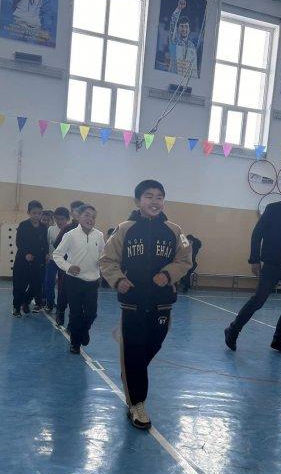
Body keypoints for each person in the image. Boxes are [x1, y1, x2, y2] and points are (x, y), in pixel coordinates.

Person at [100, 180, 192, 429]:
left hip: (162, 304)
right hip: (133, 303)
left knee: (151, 346)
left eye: (159, 197)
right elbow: (107, 260)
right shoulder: (124, 229)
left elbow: (185, 260)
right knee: (133, 351)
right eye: (149, 196)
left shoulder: (174, 230)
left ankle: (130, 372)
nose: (155, 201)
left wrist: (168, 274)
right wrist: (118, 279)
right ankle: (137, 404)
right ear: (137, 201)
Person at [224, 174, 281, 356]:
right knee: (258, 300)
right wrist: (254, 259)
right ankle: (233, 330)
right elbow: (257, 234)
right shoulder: (273, 209)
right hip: (272, 263)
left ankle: (279, 340)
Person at [53, 206, 104, 355]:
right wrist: (68, 267)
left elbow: (103, 254)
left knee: (91, 313)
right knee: (75, 313)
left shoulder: (99, 235)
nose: (90, 219)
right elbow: (57, 255)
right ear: (79, 216)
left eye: (93, 217)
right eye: (87, 215)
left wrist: (102, 263)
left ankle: (84, 330)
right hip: (74, 281)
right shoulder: (70, 235)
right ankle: (75, 343)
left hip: (92, 282)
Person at [12, 200, 48, 318]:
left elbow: (45, 243)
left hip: (38, 261)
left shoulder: (43, 227)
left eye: (39, 213)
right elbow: (19, 242)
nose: (37, 215)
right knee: (20, 285)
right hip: (22, 260)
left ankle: (26, 301)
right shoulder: (23, 225)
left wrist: (46, 254)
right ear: (28, 212)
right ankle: (16, 308)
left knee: (36, 285)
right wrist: (26, 254)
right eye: (34, 213)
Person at [54, 200, 85, 326]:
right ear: (71, 213)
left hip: (81, 268)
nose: (78, 213)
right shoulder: (67, 228)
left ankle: (73, 321)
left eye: (80, 210)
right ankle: (60, 312)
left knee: (76, 295)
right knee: (63, 292)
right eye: (75, 211)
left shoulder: (88, 229)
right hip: (66, 267)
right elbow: (57, 244)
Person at [44, 206, 70, 313]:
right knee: (48, 282)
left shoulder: (71, 230)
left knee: (62, 286)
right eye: (57, 219)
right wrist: (46, 254)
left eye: (62, 219)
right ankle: (49, 303)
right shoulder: (51, 229)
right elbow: (47, 244)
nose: (59, 221)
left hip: (65, 262)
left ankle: (60, 306)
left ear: (67, 219)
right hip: (52, 261)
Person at [169, 0, 198, 78]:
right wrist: (179, 8)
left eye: (186, 26)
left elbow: (194, 67)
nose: (184, 29)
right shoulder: (174, 41)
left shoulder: (192, 46)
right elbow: (172, 24)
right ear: (178, 28)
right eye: (182, 26)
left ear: (189, 29)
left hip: (186, 81)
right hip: (172, 77)